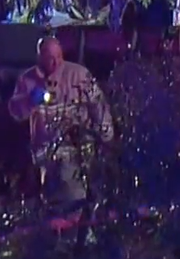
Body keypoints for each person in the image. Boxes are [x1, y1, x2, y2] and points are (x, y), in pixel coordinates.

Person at [9, 36, 112, 206]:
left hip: (77, 151)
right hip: (46, 155)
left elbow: (98, 105)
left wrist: (106, 136)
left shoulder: (79, 75)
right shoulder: (27, 80)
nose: (56, 62)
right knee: (53, 203)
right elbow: (15, 112)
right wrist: (29, 101)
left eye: (59, 56)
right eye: (50, 58)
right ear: (40, 58)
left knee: (74, 199)